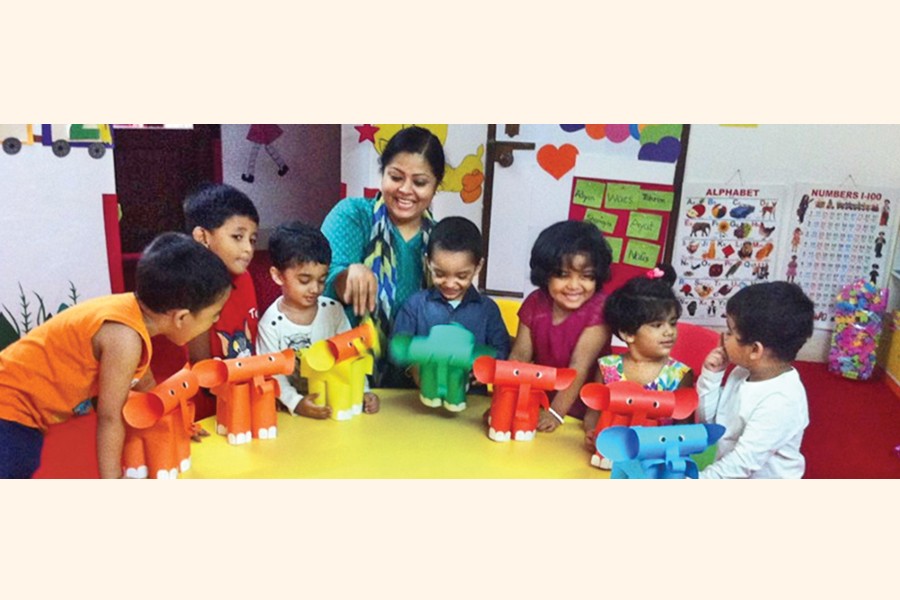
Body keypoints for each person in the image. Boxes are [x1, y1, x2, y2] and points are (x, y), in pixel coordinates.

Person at [0, 233, 232, 478]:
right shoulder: (124, 339)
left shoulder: (131, 317)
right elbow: (110, 417)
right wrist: (112, 481)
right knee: (17, 463)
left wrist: (178, 427)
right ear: (181, 317)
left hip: (18, 410)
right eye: (213, 315)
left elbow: (147, 388)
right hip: (9, 408)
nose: (215, 321)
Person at [321, 126, 445, 386]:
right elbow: (319, 284)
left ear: (436, 186)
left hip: (417, 381)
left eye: (420, 182)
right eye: (396, 177)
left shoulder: (441, 239)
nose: (405, 190)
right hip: (348, 374)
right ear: (383, 173)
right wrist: (348, 274)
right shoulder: (353, 214)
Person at [149, 183, 261, 420]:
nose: (248, 249)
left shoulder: (245, 278)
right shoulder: (188, 287)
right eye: (237, 237)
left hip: (238, 402)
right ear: (202, 237)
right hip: (196, 412)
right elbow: (201, 364)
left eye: (252, 239)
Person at [256, 221, 379, 418]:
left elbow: (352, 355)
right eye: (304, 280)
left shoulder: (333, 311)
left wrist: (362, 391)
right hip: (292, 414)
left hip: (336, 403)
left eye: (322, 280)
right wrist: (296, 403)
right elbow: (272, 374)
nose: (315, 288)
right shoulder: (270, 324)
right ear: (278, 276)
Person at [696, 281, 814, 479]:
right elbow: (710, 423)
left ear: (754, 350)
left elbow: (742, 463)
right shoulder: (741, 373)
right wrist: (712, 376)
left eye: (730, 332)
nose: (723, 337)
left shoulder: (781, 400)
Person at [507, 220, 613, 434]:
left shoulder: (600, 309)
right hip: (538, 402)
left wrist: (555, 414)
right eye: (562, 275)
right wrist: (505, 402)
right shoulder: (535, 302)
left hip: (584, 415)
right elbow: (519, 357)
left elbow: (579, 366)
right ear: (545, 274)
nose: (574, 286)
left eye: (586, 276)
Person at [584, 265, 693, 465]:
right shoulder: (608, 368)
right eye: (657, 325)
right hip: (608, 459)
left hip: (654, 463)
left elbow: (682, 430)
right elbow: (593, 415)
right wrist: (592, 433)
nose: (669, 332)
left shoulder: (679, 374)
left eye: (672, 323)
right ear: (628, 333)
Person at [392, 216, 511, 396]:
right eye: (439, 274)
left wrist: (487, 368)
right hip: (421, 399)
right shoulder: (415, 305)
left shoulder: (487, 310)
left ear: (478, 267)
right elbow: (398, 346)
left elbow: (502, 351)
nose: (449, 284)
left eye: (461, 276)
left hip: (471, 401)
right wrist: (413, 368)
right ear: (428, 262)